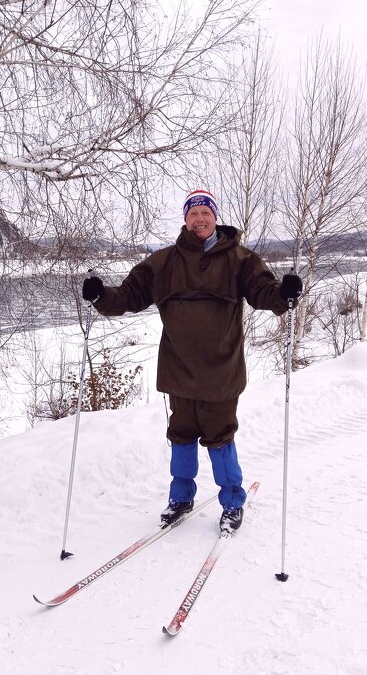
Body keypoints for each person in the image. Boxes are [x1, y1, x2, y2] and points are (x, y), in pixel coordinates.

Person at [81, 189, 302, 532]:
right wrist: (100, 296)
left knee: (220, 437)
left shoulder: (240, 259)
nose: (200, 218)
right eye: (193, 213)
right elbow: (128, 295)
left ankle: (232, 502)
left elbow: (264, 291)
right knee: (181, 435)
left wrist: (283, 294)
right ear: (185, 219)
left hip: (221, 371)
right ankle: (181, 498)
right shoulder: (164, 262)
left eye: (206, 213)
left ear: (215, 217)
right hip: (179, 370)